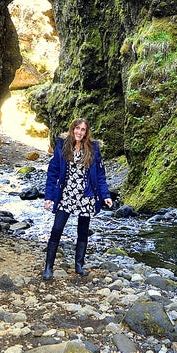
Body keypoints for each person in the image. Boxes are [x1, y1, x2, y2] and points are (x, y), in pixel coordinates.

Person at [42, 118, 113, 279]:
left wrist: (105, 195)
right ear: (72, 129)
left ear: (86, 132)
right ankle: (48, 267)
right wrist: (49, 197)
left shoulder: (93, 148)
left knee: (82, 231)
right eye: (77, 128)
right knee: (57, 229)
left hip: (86, 195)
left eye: (83, 130)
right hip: (66, 193)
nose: (79, 132)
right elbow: (52, 172)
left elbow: (100, 175)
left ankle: (79, 265)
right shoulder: (62, 144)